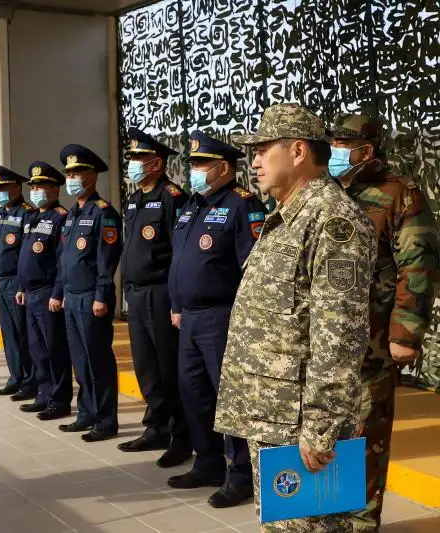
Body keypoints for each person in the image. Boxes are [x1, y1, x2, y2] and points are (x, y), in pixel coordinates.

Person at [213, 104, 377, 532]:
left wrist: (321, 426)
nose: (254, 162)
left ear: (299, 151)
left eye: (264, 151)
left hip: (301, 426)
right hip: (273, 416)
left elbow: (340, 330)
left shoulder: (333, 219)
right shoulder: (286, 217)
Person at [328, 113, 440, 533]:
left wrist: (405, 334)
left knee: (364, 438)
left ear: (366, 151)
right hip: (327, 341)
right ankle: (330, 515)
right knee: (327, 435)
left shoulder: (400, 194)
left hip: (372, 343)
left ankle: (361, 523)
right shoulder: (327, 192)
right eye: (334, 144)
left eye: (344, 146)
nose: (336, 153)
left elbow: (418, 265)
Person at [167, 130, 267, 508]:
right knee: (194, 394)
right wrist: (177, 303)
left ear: (222, 167)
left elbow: (251, 269)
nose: (193, 170)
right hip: (189, 317)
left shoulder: (243, 205)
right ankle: (207, 463)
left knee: (230, 398)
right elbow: (181, 260)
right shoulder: (193, 205)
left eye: (200, 164)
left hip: (221, 316)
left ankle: (240, 475)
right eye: (192, 163)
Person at [117, 127, 192, 468]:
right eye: (131, 158)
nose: (132, 164)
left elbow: (180, 252)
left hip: (161, 294)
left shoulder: (172, 197)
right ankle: (156, 427)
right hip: (137, 293)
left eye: (139, 159)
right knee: (146, 368)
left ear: (157, 163)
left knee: (167, 368)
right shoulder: (134, 199)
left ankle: (180, 436)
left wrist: (176, 299)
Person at [55, 144, 123, 442]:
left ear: (92, 176)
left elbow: (106, 261)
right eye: (68, 173)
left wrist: (101, 295)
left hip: (92, 299)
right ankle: (86, 414)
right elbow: (64, 259)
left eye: (77, 172)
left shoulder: (104, 213)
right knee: (80, 359)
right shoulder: (71, 214)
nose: (71, 178)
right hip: (72, 297)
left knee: (98, 361)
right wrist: (58, 292)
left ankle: (106, 420)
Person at [15, 161, 73, 420]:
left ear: (55, 189)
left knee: (54, 349)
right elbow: (25, 257)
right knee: (37, 348)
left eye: (41, 186)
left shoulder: (61, 217)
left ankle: (59, 400)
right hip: (30, 292)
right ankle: (44, 394)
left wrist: (57, 293)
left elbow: (62, 260)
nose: (36, 190)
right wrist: (21, 287)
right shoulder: (32, 217)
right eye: (33, 186)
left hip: (48, 292)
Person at [0, 165, 37, 400]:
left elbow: (27, 253)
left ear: (17, 187)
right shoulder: (0, 213)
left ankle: (30, 381)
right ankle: (15, 377)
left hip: (18, 282)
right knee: (9, 333)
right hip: (1, 281)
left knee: (22, 333)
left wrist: (22, 284)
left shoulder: (27, 212)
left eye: (4, 187)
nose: (0, 192)